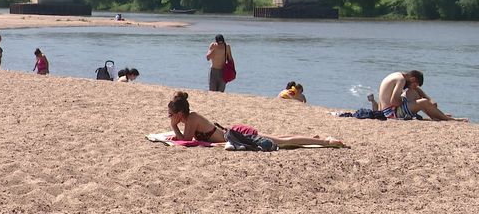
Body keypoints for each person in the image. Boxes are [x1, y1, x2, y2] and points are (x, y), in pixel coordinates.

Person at [167, 91, 345, 147]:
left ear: (179, 114)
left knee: (282, 142)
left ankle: (326, 142)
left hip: (238, 135)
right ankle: (312, 139)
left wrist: (174, 128)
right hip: (234, 133)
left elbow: (186, 140)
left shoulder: (192, 118)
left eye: (171, 115)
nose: (169, 118)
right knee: (281, 137)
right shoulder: (189, 119)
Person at [378, 70, 468, 121]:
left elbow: (413, 90)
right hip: (391, 113)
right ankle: (449, 119)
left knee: (415, 93)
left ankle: (434, 114)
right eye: (414, 84)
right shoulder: (401, 80)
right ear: (412, 79)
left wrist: (429, 99)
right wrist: (412, 102)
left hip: (387, 110)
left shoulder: (398, 75)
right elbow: (394, 101)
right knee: (423, 102)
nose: (414, 87)